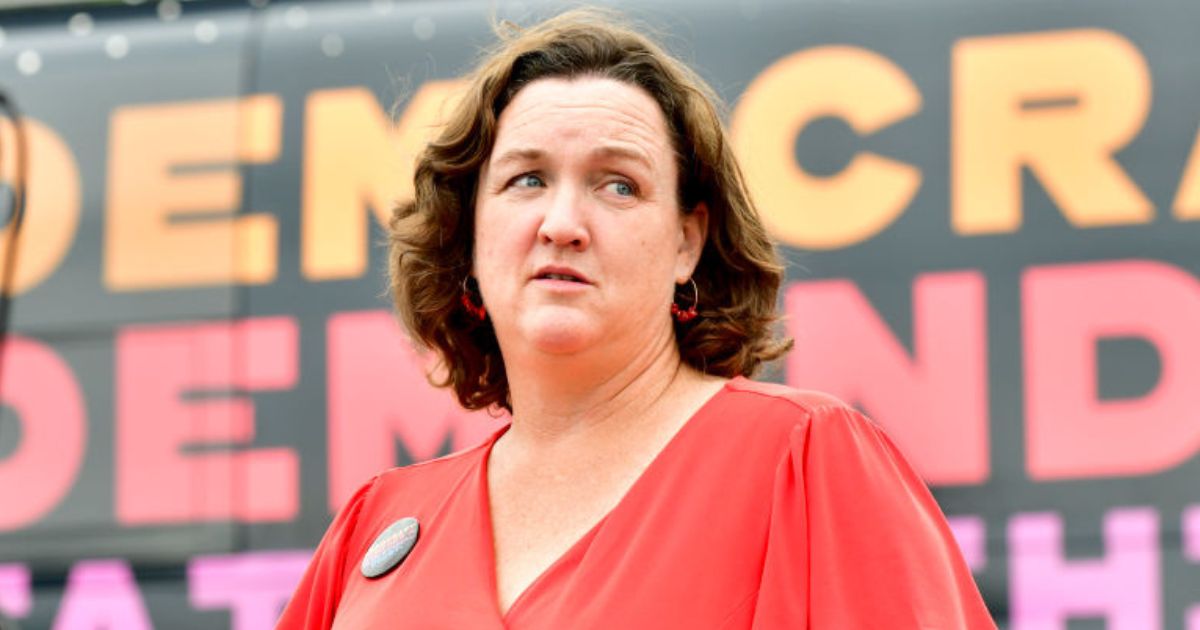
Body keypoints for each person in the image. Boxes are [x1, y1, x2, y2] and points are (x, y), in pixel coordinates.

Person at [278, 8, 995, 629]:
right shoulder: (379, 522)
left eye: (618, 185)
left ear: (688, 241)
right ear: (468, 234)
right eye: (527, 179)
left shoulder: (804, 459)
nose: (562, 223)